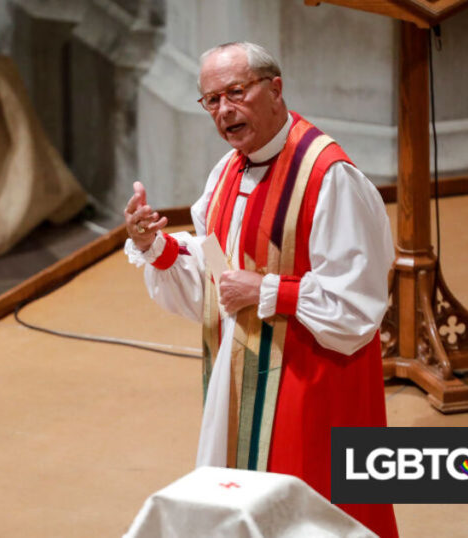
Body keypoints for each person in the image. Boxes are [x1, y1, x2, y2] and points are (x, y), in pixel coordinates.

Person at [123, 41, 398, 538]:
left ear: (275, 90)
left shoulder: (328, 176)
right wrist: (154, 245)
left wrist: (269, 290)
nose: (225, 110)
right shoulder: (228, 171)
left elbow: (358, 305)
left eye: (236, 91)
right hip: (241, 372)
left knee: (312, 508)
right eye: (211, 100)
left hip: (312, 379)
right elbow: (217, 277)